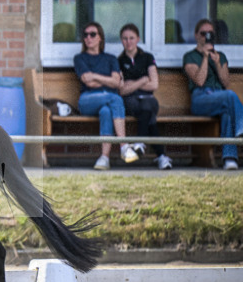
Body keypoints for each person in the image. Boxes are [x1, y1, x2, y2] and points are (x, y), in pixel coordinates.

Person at [183, 18, 243, 170]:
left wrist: (218, 62)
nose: (206, 36)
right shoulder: (190, 57)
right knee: (230, 95)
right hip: (201, 98)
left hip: (220, 96)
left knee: (227, 113)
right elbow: (199, 81)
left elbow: (225, 83)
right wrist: (205, 57)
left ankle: (229, 159)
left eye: (210, 33)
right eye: (203, 33)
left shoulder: (221, 56)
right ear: (196, 35)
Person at [74, 21, 138, 170]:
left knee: (106, 111)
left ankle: (104, 158)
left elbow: (116, 82)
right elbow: (87, 81)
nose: (88, 38)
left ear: (100, 37)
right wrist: (107, 81)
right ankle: (123, 146)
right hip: (87, 100)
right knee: (115, 98)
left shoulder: (111, 59)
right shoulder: (80, 58)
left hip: (107, 102)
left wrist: (95, 76)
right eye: (85, 35)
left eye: (92, 34)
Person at [118, 23, 173, 170]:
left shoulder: (147, 57)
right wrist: (143, 80)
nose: (128, 42)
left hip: (148, 99)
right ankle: (161, 156)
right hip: (130, 101)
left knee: (147, 107)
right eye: (125, 38)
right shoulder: (119, 61)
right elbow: (122, 90)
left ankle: (140, 143)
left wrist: (132, 83)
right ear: (121, 40)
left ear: (138, 39)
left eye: (131, 38)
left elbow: (154, 84)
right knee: (149, 117)